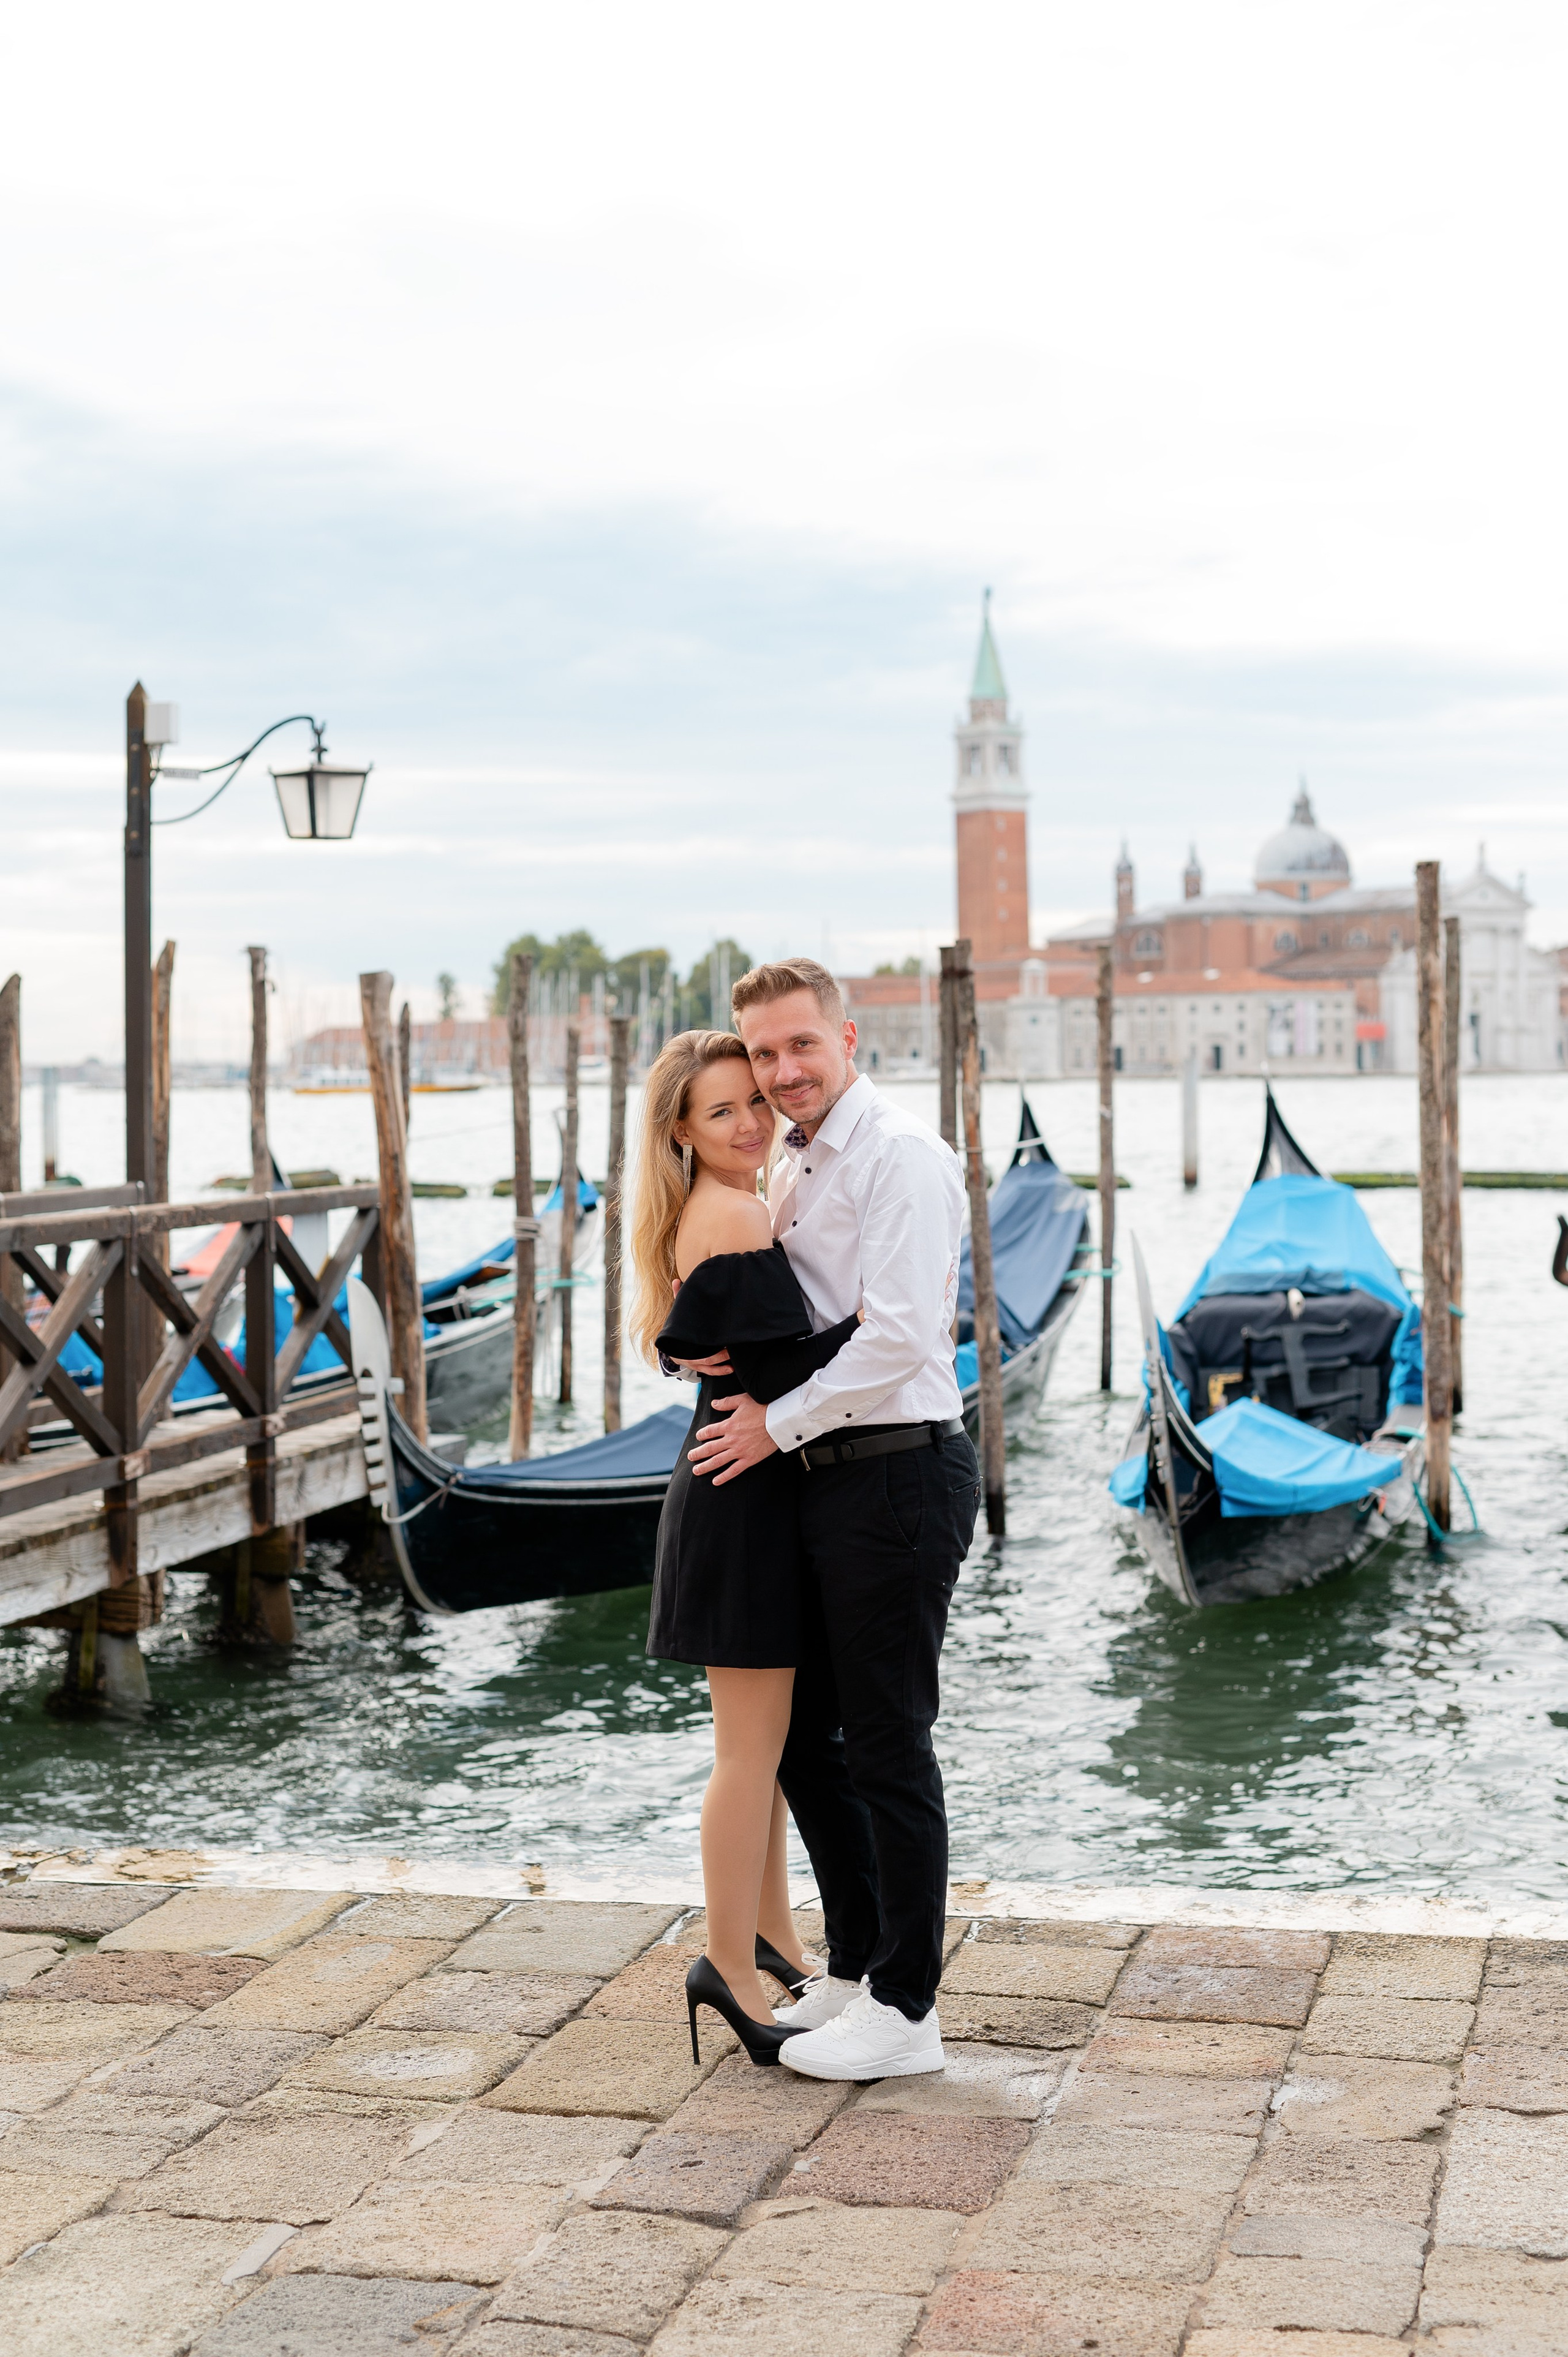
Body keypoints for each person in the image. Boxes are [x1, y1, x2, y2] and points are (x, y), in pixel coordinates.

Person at [683, 958, 981, 2082]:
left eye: (800, 1046)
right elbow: (807, 1310)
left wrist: (774, 1420)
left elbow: (903, 1336)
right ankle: (856, 1968)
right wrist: (711, 1345)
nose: (782, 1072)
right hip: (826, 1475)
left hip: (899, 1473)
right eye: (762, 1054)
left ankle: (910, 2008)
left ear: (848, 1038)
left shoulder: (900, 1155)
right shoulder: (797, 1160)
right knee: (812, 1739)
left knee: (891, 1741)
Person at [629, 1027, 861, 2065]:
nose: (749, 1124)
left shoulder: (723, 1208)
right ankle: (726, 1958)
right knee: (746, 1754)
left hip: (744, 1484)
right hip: (742, 1496)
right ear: (682, 1129)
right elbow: (804, 1352)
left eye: (754, 1105)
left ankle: (772, 1934)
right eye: (720, 1111)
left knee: (764, 1754)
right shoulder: (731, 1213)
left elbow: (719, 1347)